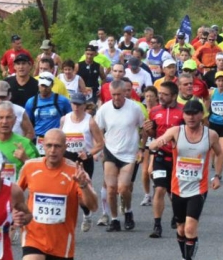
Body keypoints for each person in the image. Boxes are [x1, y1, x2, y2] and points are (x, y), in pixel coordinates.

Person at [146, 100, 223, 260]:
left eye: (195, 113)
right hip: (178, 187)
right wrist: (157, 143)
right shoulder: (176, 131)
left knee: (190, 228)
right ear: (184, 115)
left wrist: (217, 175)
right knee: (181, 229)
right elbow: (153, 144)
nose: (191, 117)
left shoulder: (211, 135)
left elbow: (220, 153)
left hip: (198, 188)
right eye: (188, 114)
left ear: (202, 115)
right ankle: (185, 255)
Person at [18, 129, 99, 260]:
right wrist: (15, 214)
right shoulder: (30, 167)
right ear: (43, 146)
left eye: (57, 146)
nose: (52, 150)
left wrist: (84, 186)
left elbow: (93, 206)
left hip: (61, 242)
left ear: (65, 148)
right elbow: (14, 194)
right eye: (49, 145)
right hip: (33, 237)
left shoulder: (76, 171)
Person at [95, 80, 147, 232]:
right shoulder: (104, 109)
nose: (116, 98)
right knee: (111, 188)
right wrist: (99, 146)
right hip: (110, 152)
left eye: (119, 94)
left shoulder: (135, 108)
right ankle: (114, 219)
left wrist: (141, 148)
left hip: (129, 153)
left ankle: (128, 212)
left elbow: (144, 128)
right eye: (113, 95)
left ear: (126, 92)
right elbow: (98, 129)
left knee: (123, 188)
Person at [59, 93, 104, 232]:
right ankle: (62, 220)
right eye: (74, 104)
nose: (76, 107)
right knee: (64, 190)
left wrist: (89, 153)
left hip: (83, 160)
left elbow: (101, 143)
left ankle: (86, 213)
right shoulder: (64, 119)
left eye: (79, 104)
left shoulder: (90, 121)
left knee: (80, 193)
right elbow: (60, 139)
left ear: (85, 105)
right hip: (67, 158)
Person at [144, 82, 182, 238]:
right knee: (159, 189)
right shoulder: (154, 111)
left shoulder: (183, 111)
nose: (160, 96)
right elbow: (154, 134)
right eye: (160, 93)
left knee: (174, 192)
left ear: (173, 96)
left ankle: (177, 214)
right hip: (160, 157)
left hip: (177, 158)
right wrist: (149, 130)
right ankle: (157, 225)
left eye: (165, 94)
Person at [26, 72, 73, 152]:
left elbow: (71, 118)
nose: (44, 89)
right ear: (38, 85)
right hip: (38, 140)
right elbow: (27, 123)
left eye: (47, 86)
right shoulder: (31, 102)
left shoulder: (63, 101)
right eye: (42, 85)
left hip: (56, 139)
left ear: (52, 85)